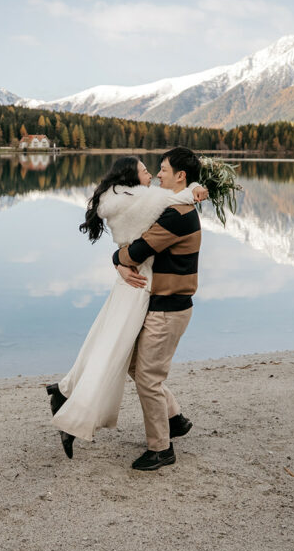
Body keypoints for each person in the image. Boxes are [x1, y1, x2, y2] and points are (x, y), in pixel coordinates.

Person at [46, 153, 206, 465]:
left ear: (181, 176)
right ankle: (174, 419)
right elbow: (135, 239)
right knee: (134, 365)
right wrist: (120, 260)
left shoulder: (177, 215)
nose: (159, 176)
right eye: (154, 170)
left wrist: (119, 260)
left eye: (163, 170)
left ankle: (161, 449)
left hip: (168, 308)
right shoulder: (172, 206)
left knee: (147, 377)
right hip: (159, 303)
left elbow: (138, 250)